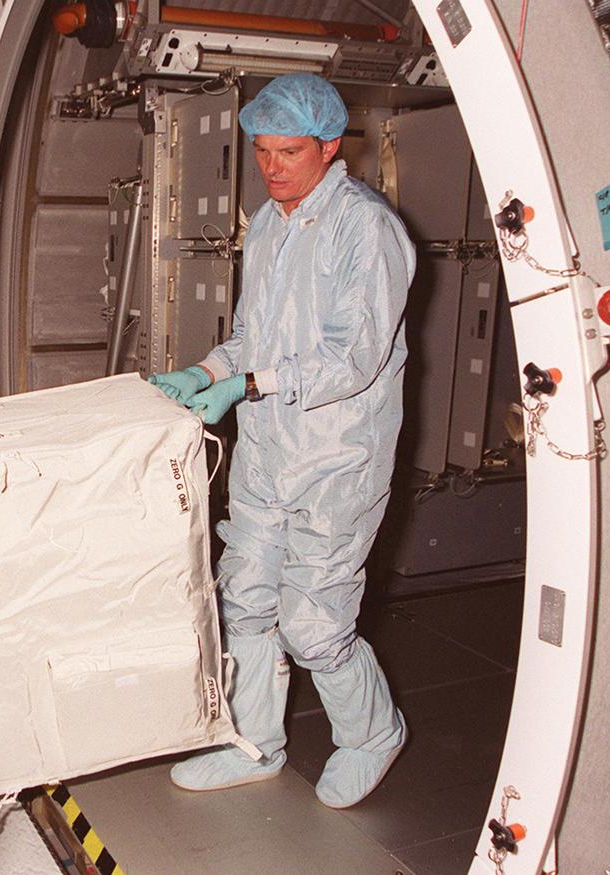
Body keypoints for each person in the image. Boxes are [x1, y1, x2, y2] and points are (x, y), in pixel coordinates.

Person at [149, 73, 413, 809]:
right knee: (244, 598)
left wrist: (249, 385)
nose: (271, 166)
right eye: (261, 150)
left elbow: (352, 358)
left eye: (289, 151)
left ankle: (371, 733)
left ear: (331, 146)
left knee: (315, 620)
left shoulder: (367, 228)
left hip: (338, 457)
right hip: (267, 450)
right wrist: (204, 370)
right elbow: (251, 338)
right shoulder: (267, 223)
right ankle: (255, 744)